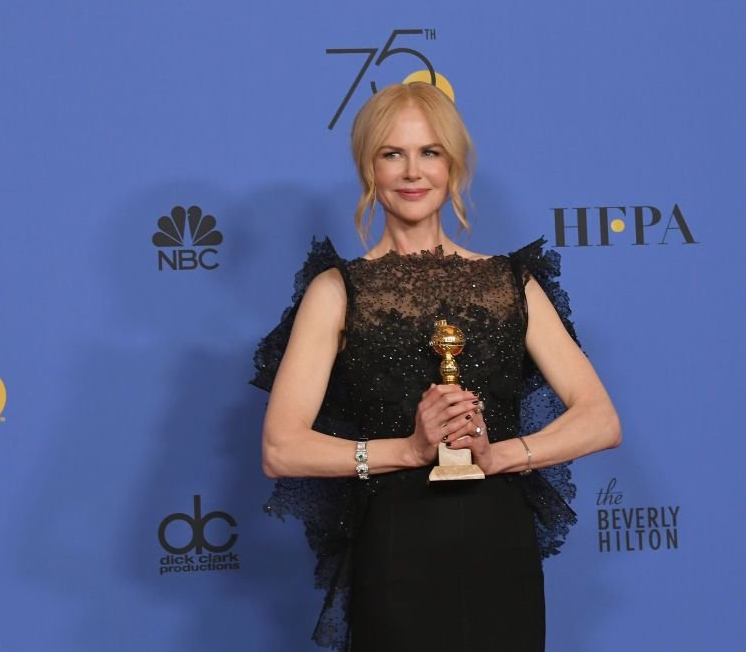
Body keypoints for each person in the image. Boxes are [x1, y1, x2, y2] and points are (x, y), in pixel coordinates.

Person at [251, 82, 621, 652]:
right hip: (400, 542)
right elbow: (281, 448)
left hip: (501, 543)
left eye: (430, 153)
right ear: (368, 168)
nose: (412, 172)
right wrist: (409, 451)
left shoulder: (510, 283)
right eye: (391, 154)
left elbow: (600, 419)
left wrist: (501, 455)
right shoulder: (338, 290)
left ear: (453, 166)